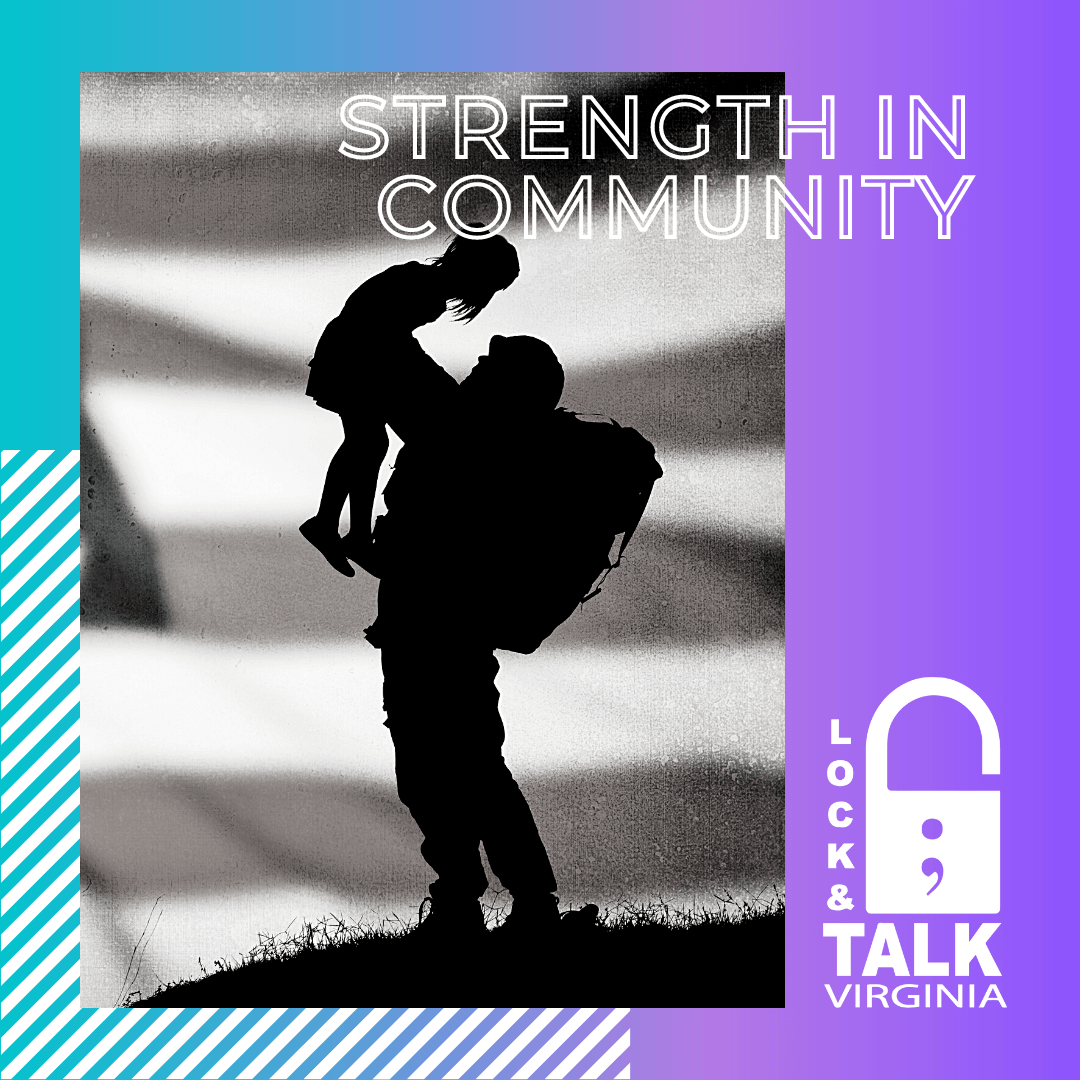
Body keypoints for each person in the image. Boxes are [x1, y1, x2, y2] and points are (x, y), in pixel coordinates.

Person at [367, 334, 571, 941]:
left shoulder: (475, 446)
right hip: (420, 631)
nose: (478, 368)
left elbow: (446, 553)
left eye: (491, 365)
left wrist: (389, 558)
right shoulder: (464, 437)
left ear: (511, 386)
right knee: (434, 773)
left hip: (442, 636)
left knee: (470, 770)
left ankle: (528, 902)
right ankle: (465, 899)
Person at [299, 234, 520, 577]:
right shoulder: (422, 286)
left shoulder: (427, 287)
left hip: (355, 356)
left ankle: (339, 528)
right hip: (354, 357)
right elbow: (385, 338)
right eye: (489, 284)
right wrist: (433, 381)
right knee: (368, 443)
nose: (484, 294)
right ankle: (341, 530)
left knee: (368, 444)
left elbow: (396, 341)